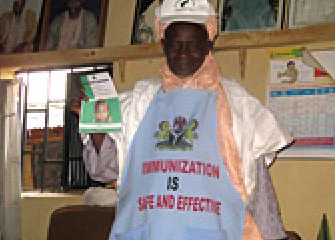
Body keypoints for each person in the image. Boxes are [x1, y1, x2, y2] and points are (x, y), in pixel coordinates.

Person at [108, 0, 292, 239]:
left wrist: (272, 235)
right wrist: (95, 126)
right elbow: (104, 171)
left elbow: (261, 192)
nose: (183, 53)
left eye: (193, 45)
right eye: (175, 45)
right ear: (163, 44)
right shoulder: (136, 103)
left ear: (208, 44)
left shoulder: (239, 105)